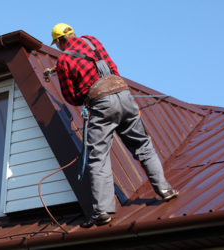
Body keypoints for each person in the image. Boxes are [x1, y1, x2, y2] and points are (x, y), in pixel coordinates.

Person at [46, 23, 179, 228]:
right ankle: (165, 189)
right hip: (123, 94)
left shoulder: (64, 59)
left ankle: (102, 212)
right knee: (143, 145)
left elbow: (71, 96)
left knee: (98, 157)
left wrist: (86, 95)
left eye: (58, 44)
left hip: (101, 102)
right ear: (72, 34)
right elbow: (111, 68)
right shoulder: (92, 40)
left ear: (60, 42)